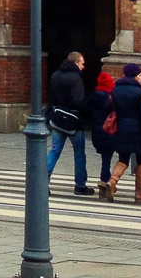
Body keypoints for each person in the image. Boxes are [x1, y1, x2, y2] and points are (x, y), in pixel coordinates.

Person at [104, 62, 141, 202]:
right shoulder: (139, 91)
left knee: (123, 158)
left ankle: (112, 182)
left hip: (121, 128)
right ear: (134, 76)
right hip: (139, 131)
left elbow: (107, 107)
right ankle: (139, 193)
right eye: (140, 75)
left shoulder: (115, 90)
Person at [46, 51, 92, 196]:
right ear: (76, 62)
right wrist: (87, 113)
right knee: (79, 153)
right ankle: (80, 185)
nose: (83, 67)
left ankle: (41, 181)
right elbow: (78, 101)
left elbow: (51, 98)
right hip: (73, 121)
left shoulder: (55, 75)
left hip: (58, 118)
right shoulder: (76, 78)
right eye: (82, 63)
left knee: (55, 150)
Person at [87, 70, 118, 199]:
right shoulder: (110, 97)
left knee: (105, 158)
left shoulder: (93, 96)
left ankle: (104, 184)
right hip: (108, 131)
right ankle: (104, 184)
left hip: (96, 132)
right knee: (107, 159)